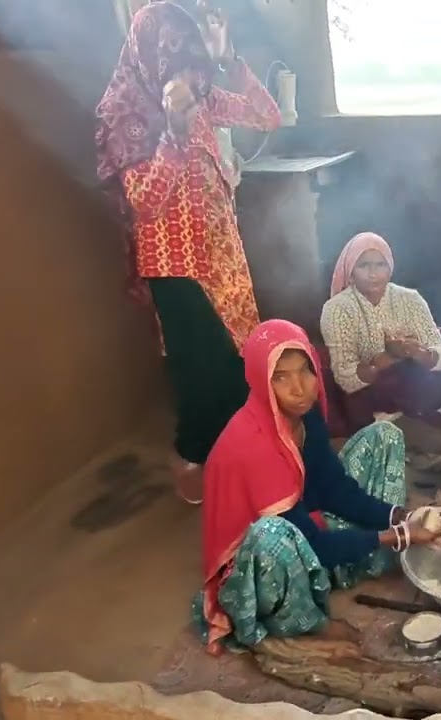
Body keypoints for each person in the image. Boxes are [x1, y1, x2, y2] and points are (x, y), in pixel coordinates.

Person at [94, 0, 281, 502]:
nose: (185, 73)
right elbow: (145, 201)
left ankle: (239, 458)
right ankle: (192, 455)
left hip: (221, 255)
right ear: (151, 54)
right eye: (176, 60)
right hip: (175, 262)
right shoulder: (127, 114)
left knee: (238, 362)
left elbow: (267, 116)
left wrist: (229, 59)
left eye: (191, 60)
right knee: (201, 370)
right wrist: (174, 138)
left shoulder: (202, 99)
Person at [195, 319, 441, 652]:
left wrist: (400, 516)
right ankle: (304, 619)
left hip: (303, 516)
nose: (299, 388)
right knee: (272, 534)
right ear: (259, 380)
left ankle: (365, 557)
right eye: (280, 377)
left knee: (384, 435)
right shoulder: (254, 444)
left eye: (305, 371)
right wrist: (398, 536)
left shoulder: (305, 416)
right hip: (261, 559)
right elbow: (309, 544)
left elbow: (333, 488)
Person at [320, 232, 441, 436]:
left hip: (409, 382)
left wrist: (418, 353)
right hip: (368, 392)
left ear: (390, 268)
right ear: (350, 272)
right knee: (329, 374)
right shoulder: (337, 309)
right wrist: (386, 359)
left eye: (380, 265)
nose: (373, 273)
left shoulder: (410, 299)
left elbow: (439, 351)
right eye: (364, 265)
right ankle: (383, 424)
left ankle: (413, 414)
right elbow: (346, 378)